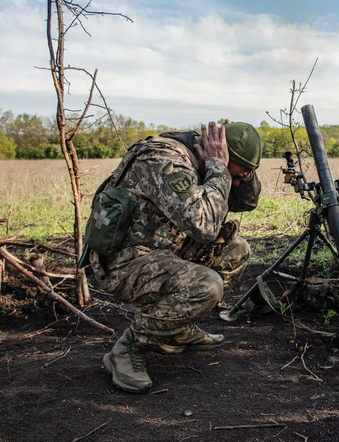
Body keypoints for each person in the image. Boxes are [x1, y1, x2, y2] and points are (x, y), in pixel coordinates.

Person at [85, 120, 262, 394]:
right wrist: (218, 167)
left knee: (236, 250)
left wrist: (241, 175)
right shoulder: (166, 160)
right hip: (124, 260)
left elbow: (246, 203)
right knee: (206, 285)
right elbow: (204, 226)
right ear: (216, 155)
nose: (235, 182)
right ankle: (129, 347)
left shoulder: (206, 162)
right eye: (234, 175)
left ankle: (177, 329)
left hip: (161, 249)